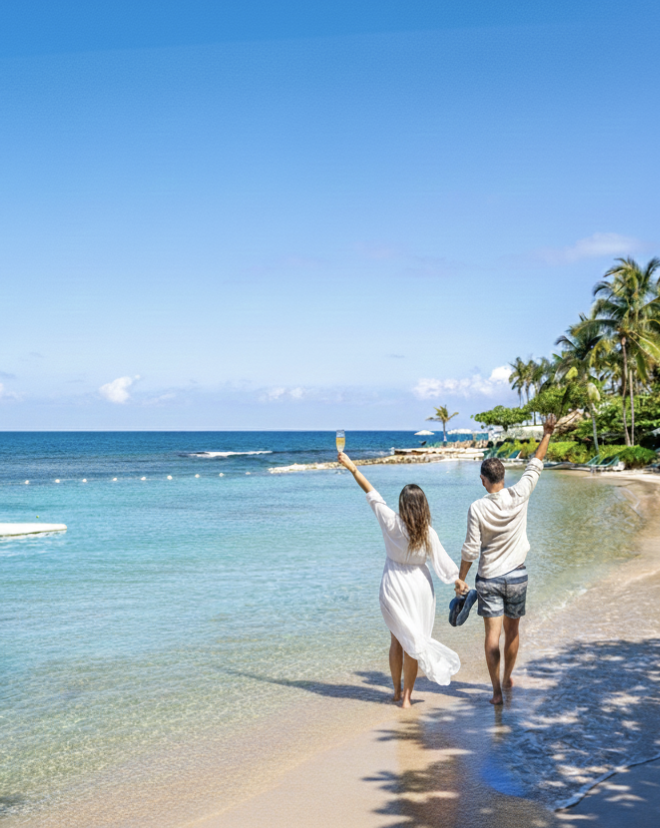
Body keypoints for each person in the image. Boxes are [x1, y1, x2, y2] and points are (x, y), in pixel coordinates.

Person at [337, 451, 462, 708]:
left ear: (402, 505)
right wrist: (457, 581)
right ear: (423, 506)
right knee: (413, 642)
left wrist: (352, 467)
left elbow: (371, 492)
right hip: (419, 587)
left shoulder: (390, 522)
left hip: (394, 583)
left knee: (397, 639)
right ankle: (407, 698)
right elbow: (443, 562)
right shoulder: (427, 532)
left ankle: (395, 691)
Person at [455, 414, 557, 704]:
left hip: (488, 578)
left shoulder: (477, 507)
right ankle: (507, 676)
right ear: (503, 478)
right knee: (514, 631)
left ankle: (496, 693)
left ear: (483, 481)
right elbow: (534, 466)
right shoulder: (519, 494)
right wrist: (546, 434)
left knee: (492, 635)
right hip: (517, 576)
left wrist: (461, 578)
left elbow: (470, 549)